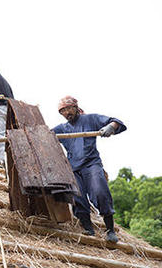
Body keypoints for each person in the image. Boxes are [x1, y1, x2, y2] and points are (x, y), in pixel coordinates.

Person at [52, 96, 126, 243]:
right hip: (74, 168)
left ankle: (110, 229)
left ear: (75, 107)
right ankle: (88, 228)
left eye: (68, 109)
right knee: (78, 197)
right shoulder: (62, 128)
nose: (67, 113)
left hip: (91, 164)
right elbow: (44, 135)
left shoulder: (90, 119)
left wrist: (110, 127)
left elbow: (117, 121)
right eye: (63, 111)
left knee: (100, 192)